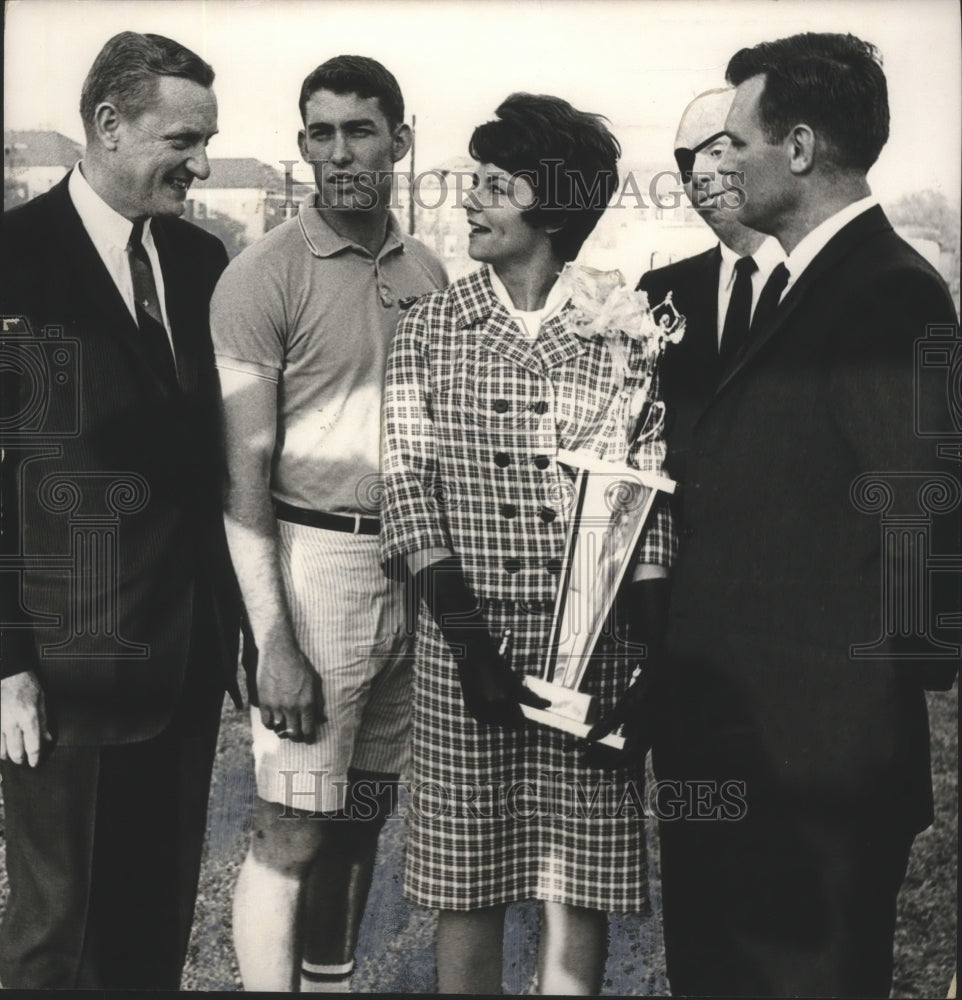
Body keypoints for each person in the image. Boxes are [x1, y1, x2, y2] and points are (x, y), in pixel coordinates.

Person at [628, 32, 958, 996]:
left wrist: (841, 739)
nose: (716, 165)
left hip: (812, 771)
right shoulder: (795, 282)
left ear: (801, 148)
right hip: (731, 740)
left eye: (734, 140)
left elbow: (919, 518)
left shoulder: (889, 291)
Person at [379, 93, 674, 995]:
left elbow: (645, 505)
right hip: (464, 649)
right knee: (466, 881)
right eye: (474, 182)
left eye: (494, 186)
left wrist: (647, 667)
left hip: (591, 656)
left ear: (551, 205)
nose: (470, 201)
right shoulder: (431, 326)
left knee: (575, 884)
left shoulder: (623, 333)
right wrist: (470, 649)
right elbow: (406, 492)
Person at [0, 31, 240, 989]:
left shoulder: (199, 260)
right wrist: (6, 662)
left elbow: (212, 463)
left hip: (181, 663)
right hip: (63, 675)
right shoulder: (15, 258)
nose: (203, 162)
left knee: (151, 931)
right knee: (55, 936)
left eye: (209, 139)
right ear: (108, 124)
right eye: (183, 138)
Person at [211, 56, 446, 992]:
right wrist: (274, 639)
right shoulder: (262, 277)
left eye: (360, 130)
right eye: (320, 133)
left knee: (365, 812)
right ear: (301, 144)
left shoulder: (427, 269)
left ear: (401, 138)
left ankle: (331, 982)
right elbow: (242, 479)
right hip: (313, 568)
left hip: (412, 568)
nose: (339, 153)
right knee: (291, 824)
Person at [636, 88, 784, 490]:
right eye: (685, 162)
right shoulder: (658, 293)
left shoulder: (821, 282)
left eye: (717, 151)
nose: (697, 176)